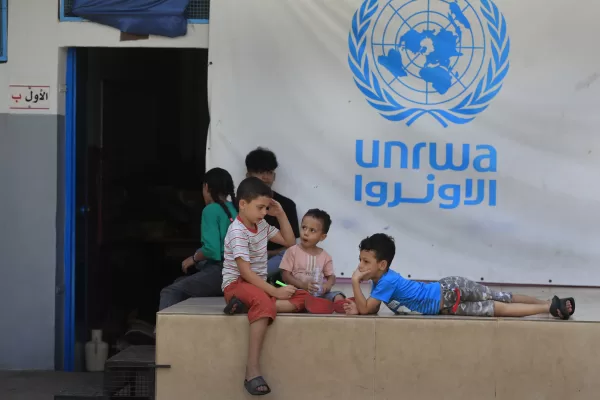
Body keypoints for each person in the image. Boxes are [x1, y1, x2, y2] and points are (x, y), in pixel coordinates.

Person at [343, 233, 576, 320]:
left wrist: (354, 282)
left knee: (502, 300)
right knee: (500, 305)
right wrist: (358, 305)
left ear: (382, 265)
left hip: (449, 292)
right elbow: (371, 309)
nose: (360, 266)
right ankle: (551, 306)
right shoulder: (381, 282)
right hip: (448, 301)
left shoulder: (387, 281)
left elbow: (366, 310)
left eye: (366, 262)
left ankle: (548, 306)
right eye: (360, 260)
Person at [221, 177, 309, 396]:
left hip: (257, 286)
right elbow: (245, 273)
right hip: (237, 285)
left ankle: (246, 305)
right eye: (260, 208)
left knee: (301, 296)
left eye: (266, 208)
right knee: (264, 300)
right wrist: (274, 292)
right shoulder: (237, 231)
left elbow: (289, 241)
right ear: (242, 204)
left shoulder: (261, 225)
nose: (263, 213)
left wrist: (280, 214)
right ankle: (252, 371)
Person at [158, 168, 237, 311]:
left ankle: (163, 334)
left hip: (222, 271)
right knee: (180, 283)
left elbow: (212, 250)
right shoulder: (234, 208)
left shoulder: (211, 210)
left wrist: (194, 258)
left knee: (170, 291)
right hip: (238, 270)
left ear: (206, 187)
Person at [245, 147, 300, 276]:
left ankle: (256, 279)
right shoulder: (240, 204)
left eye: (269, 172)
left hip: (275, 263)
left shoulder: (286, 205)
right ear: (248, 175)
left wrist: (269, 254)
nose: (265, 177)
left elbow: (291, 245)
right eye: (260, 172)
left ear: (274, 176)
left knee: (293, 253)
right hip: (247, 261)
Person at [279, 209, 345, 303]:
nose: (306, 233)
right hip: (296, 293)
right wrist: (303, 285)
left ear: (322, 237)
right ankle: (313, 305)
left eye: (312, 230)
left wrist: (327, 286)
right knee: (291, 297)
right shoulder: (292, 251)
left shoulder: (325, 256)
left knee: (338, 296)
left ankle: (325, 305)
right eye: (304, 227)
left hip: (317, 294)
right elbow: (285, 275)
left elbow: (331, 277)